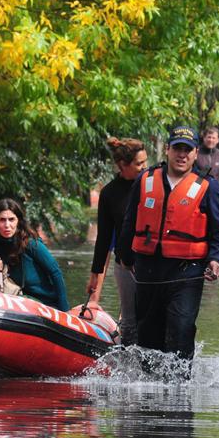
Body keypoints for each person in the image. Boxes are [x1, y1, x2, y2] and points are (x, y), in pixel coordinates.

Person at [118, 125, 219, 360]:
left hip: (186, 273)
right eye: (177, 149)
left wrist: (216, 259)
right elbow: (130, 222)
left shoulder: (208, 187)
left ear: (195, 153)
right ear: (167, 150)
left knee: (181, 331)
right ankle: (148, 382)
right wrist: (125, 257)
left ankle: (180, 382)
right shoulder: (145, 180)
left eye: (187, 150)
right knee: (148, 337)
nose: (182, 155)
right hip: (148, 270)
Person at [85, 137, 148, 345]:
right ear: (122, 165)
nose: (144, 167)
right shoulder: (109, 193)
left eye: (145, 161)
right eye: (139, 163)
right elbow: (103, 239)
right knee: (129, 323)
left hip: (152, 263)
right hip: (125, 265)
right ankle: (128, 362)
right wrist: (95, 276)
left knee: (151, 319)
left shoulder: (152, 185)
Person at [0, 198, 69, 312]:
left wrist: (65, 310)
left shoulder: (32, 244)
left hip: (44, 305)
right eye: (2, 220)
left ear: (18, 221)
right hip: (11, 304)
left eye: (11, 219)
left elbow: (55, 272)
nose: (7, 225)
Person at [195, 127, 219, 195]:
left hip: (215, 194)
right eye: (209, 137)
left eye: (213, 138)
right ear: (204, 138)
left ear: (218, 140)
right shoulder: (196, 153)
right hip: (198, 192)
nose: (211, 140)